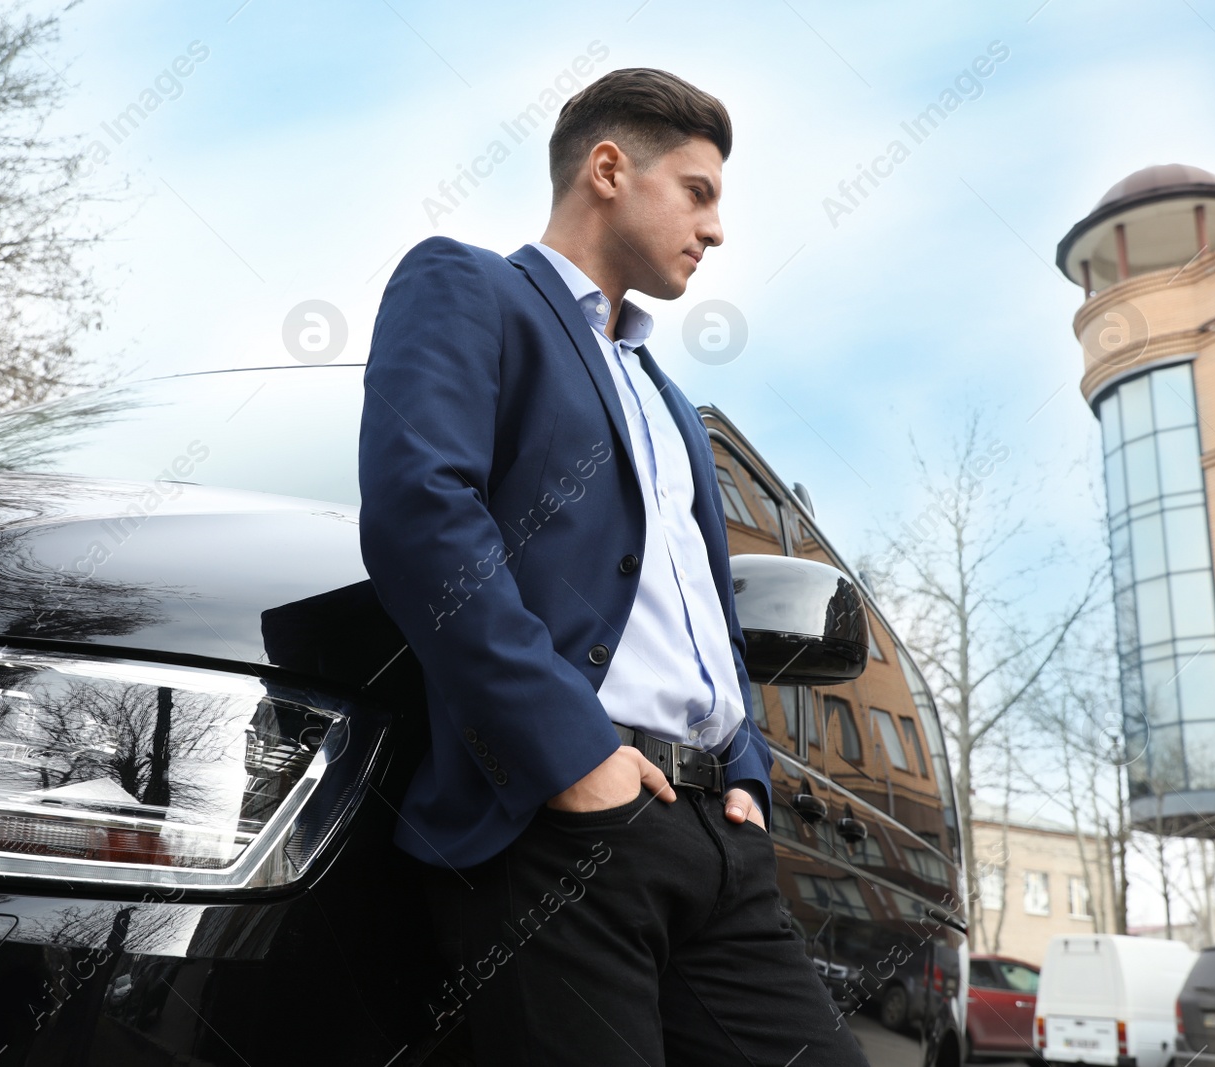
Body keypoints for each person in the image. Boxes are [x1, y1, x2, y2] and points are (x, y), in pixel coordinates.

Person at [359, 67, 869, 1067]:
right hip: (564, 826)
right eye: (697, 191)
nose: (715, 228)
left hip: (716, 834)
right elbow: (422, 514)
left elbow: (706, 613)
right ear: (606, 169)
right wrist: (570, 754)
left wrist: (751, 776)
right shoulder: (470, 287)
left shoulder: (667, 397)